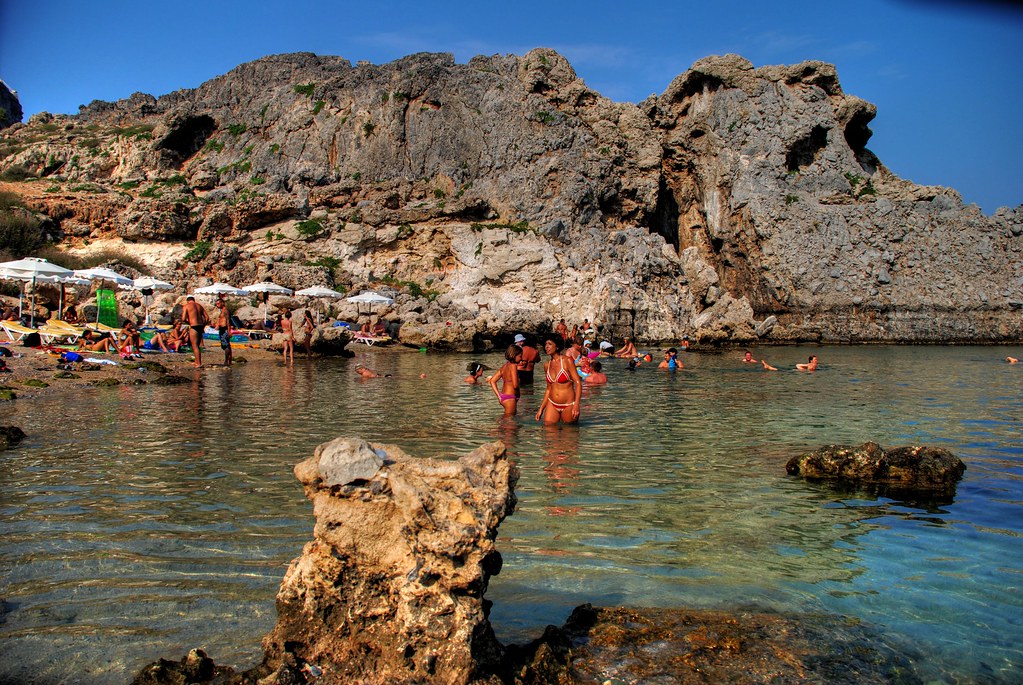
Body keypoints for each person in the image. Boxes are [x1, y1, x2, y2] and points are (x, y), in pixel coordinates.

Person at [536, 336, 583, 425]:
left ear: (557, 347)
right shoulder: (547, 365)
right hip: (552, 403)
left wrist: (576, 405)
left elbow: (578, 383)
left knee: (569, 433)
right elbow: (548, 389)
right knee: (549, 432)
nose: (546, 346)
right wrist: (541, 409)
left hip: (569, 404)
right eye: (545, 344)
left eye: (549, 344)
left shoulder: (567, 361)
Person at [488, 344, 522, 415]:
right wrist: (518, 395)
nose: (521, 358)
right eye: (520, 356)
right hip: (510, 397)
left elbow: (492, 381)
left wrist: (498, 396)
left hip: (503, 396)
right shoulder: (513, 366)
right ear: (514, 355)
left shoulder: (504, 366)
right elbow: (515, 385)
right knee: (510, 421)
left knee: (507, 419)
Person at [182, 296, 209, 368]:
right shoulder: (199, 306)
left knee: (195, 345)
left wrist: (189, 322)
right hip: (200, 326)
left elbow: (183, 318)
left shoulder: (186, 306)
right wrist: (203, 325)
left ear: (188, 301)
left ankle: (199, 363)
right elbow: (207, 317)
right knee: (198, 345)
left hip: (194, 326)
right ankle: (197, 361)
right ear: (194, 300)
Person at [214, 299, 233, 366]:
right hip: (222, 329)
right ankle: (229, 361)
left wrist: (229, 331)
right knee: (226, 345)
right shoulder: (222, 310)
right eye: (216, 304)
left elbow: (228, 321)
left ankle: (226, 361)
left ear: (222, 303)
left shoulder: (225, 311)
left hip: (225, 329)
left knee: (226, 345)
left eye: (218, 303)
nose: (217, 305)